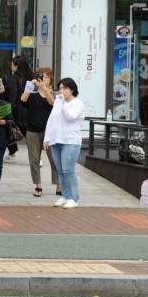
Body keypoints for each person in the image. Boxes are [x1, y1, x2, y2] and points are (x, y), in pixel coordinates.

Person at [44, 77, 85, 209]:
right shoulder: (58, 102)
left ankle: (73, 197)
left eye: (64, 88)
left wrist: (62, 103)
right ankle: (65, 196)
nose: (61, 91)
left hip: (70, 141)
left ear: (71, 90)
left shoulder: (77, 103)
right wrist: (47, 138)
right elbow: (51, 120)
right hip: (56, 140)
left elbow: (70, 116)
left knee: (68, 171)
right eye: (60, 88)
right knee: (60, 171)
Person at [21, 67, 61, 198]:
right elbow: (23, 100)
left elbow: (53, 104)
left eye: (46, 77)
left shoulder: (55, 94)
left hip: (50, 132)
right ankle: (38, 185)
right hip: (32, 130)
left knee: (54, 159)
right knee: (34, 159)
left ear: (51, 79)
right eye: (40, 76)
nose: (43, 79)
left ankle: (59, 185)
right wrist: (30, 86)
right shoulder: (32, 92)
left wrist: (44, 88)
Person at [6, 56, 34, 158]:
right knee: (29, 134)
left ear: (16, 66)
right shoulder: (31, 77)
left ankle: (12, 151)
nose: (11, 66)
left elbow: (12, 96)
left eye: (12, 64)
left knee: (7, 129)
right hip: (29, 109)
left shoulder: (13, 78)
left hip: (17, 110)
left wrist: (9, 110)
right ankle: (35, 155)